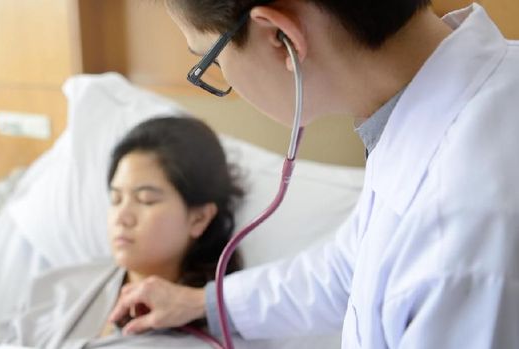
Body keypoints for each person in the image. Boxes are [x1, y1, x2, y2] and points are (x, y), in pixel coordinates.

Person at [108, 1, 519, 347]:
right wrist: (203, 304)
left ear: (279, 37)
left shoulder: (460, 230)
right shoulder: (442, 108)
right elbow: (347, 269)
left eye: (208, 59)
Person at [0, 116, 282, 348]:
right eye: (116, 199)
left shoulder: (220, 336)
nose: (123, 216)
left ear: (199, 218)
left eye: (146, 200)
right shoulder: (54, 288)